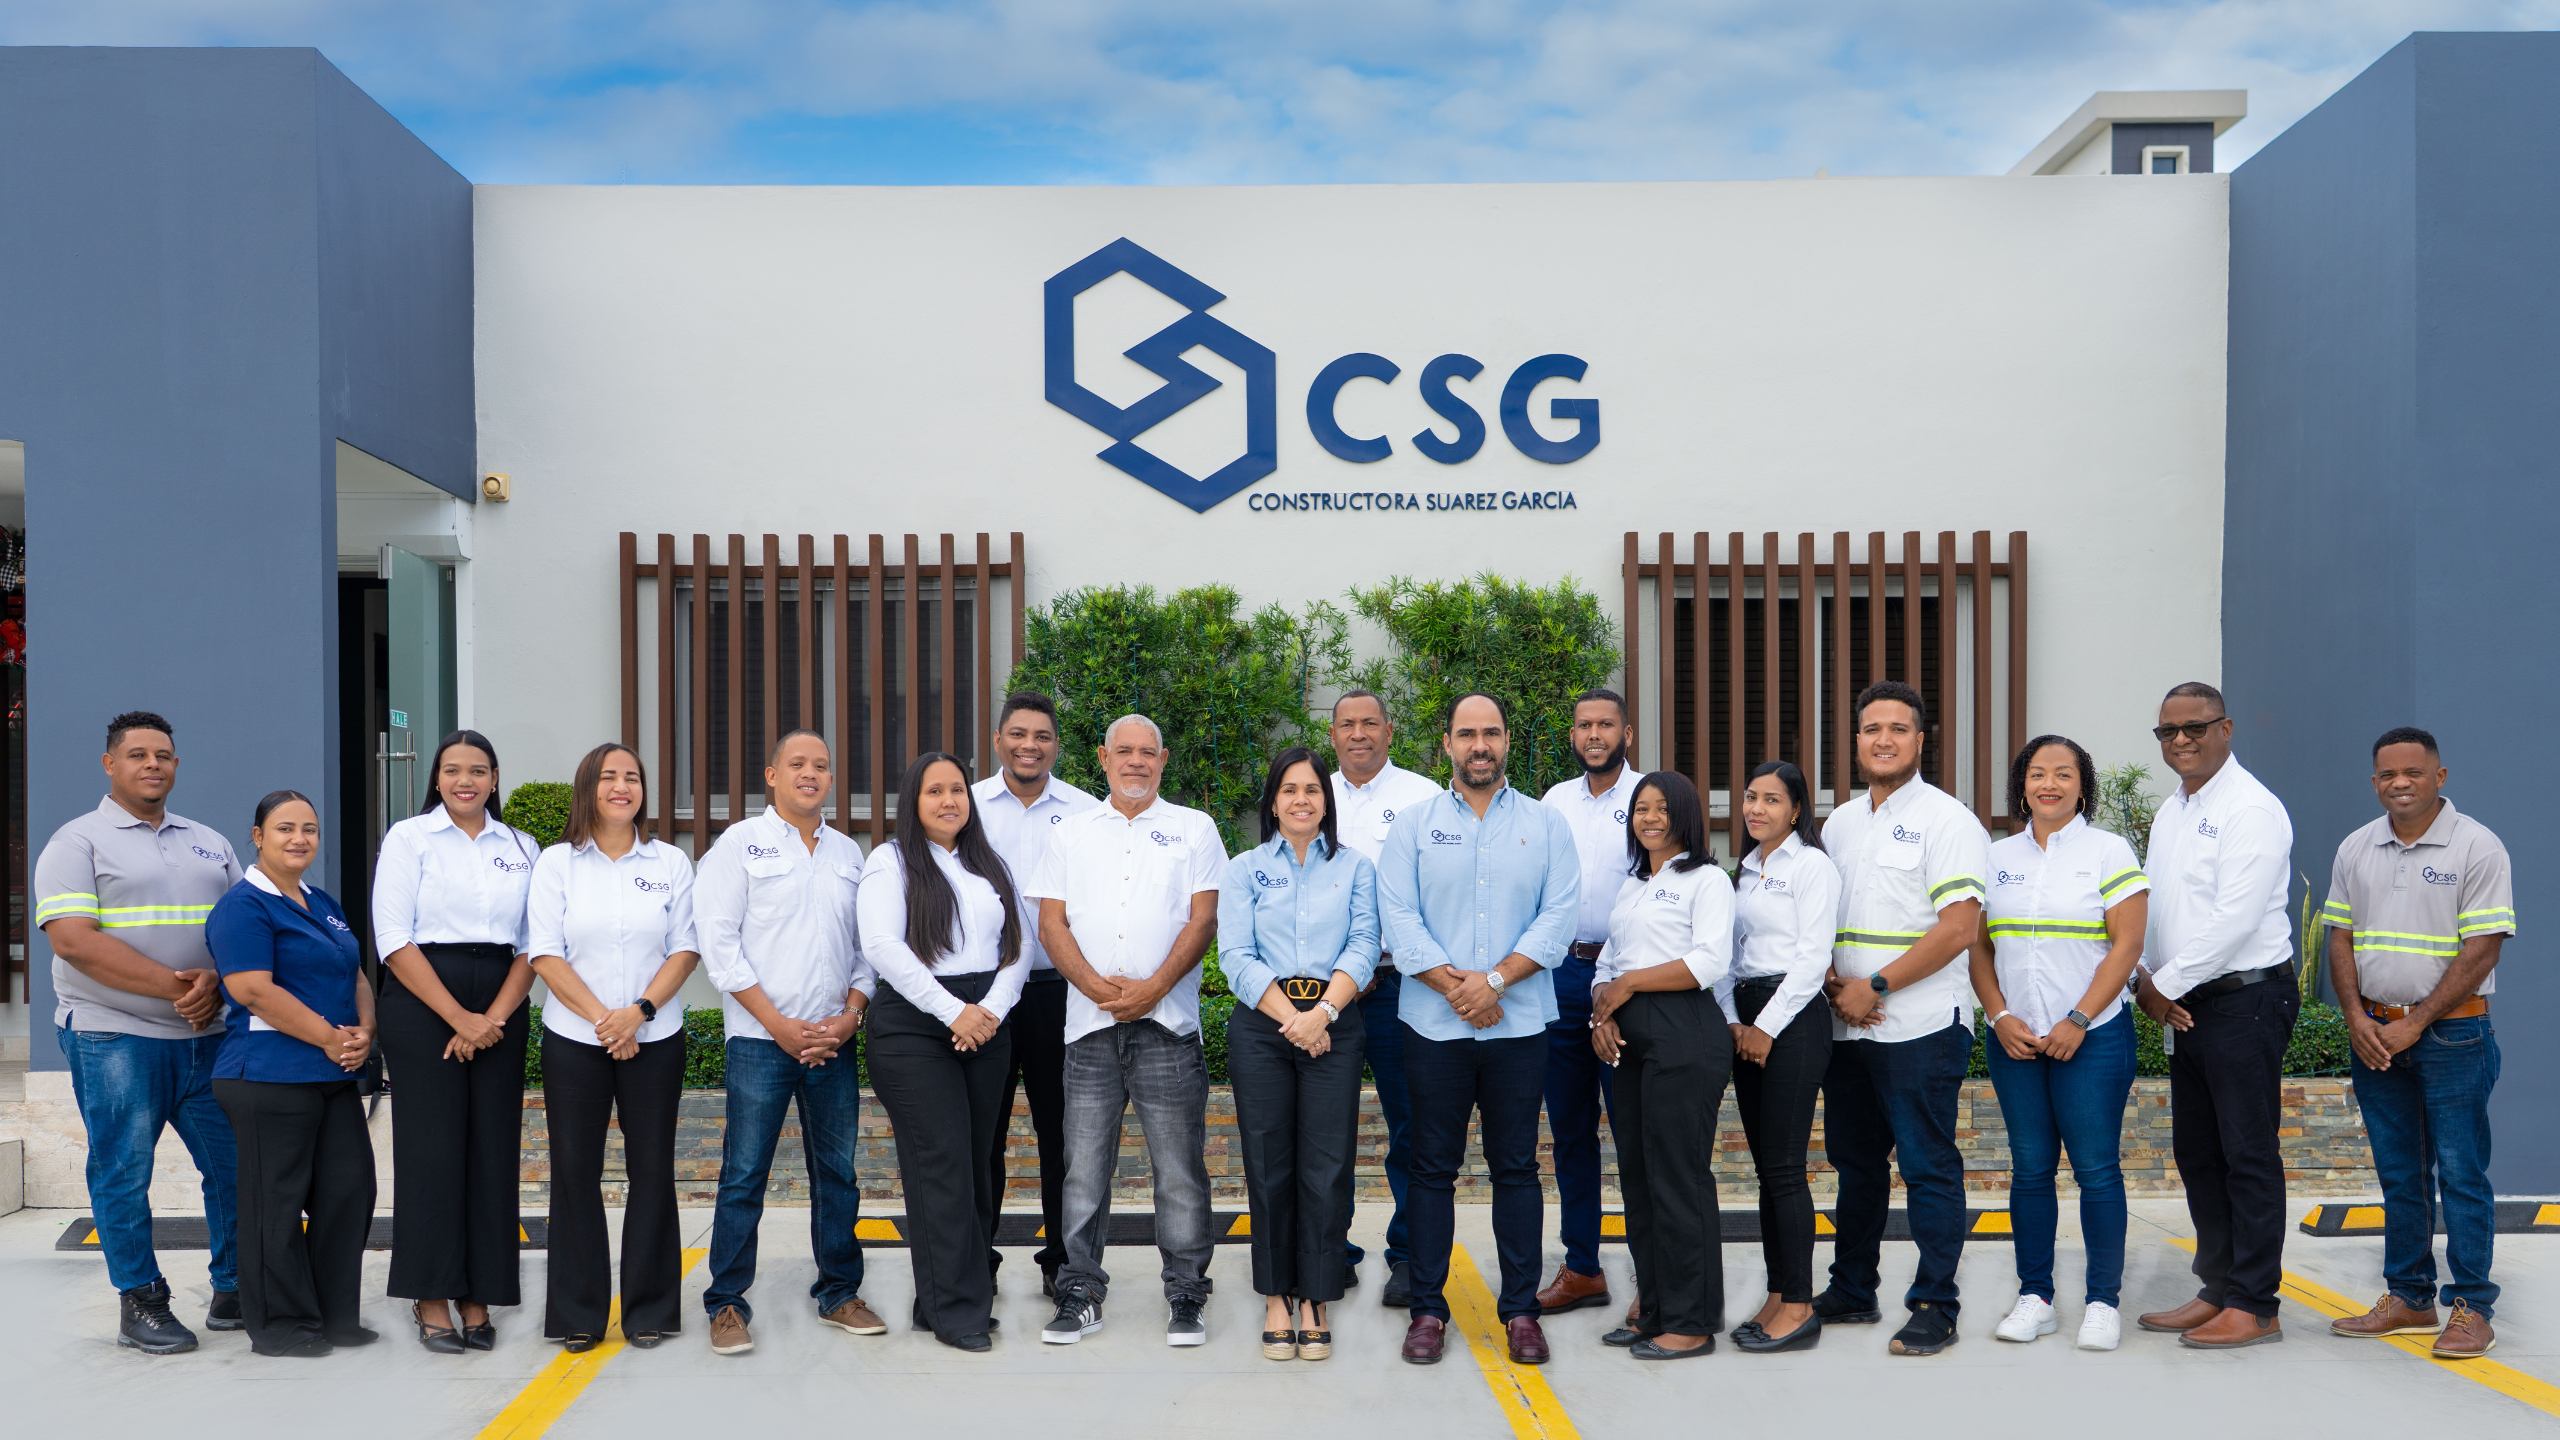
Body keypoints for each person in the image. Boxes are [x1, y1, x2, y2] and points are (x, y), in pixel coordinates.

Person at [1377, 692, 1580, 1367]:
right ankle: (1428, 1310)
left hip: (1517, 1027)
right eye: (1467, 734)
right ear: (1447, 745)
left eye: (1491, 732)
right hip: (1433, 1028)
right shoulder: (1413, 825)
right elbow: (1399, 918)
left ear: (1507, 741)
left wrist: (1492, 983)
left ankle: (1520, 1310)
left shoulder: (1546, 824)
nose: (1479, 745)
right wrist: (1461, 990)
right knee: (1431, 1168)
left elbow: (1558, 918)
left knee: (1516, 1167)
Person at [35, 710, 241, 1353]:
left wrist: (219, 983)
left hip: (206, 1037)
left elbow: (244, 926)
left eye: (163, 755)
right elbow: (74, 941)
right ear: (110, 764)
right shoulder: (77, 842)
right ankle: (141, 1301)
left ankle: (236, 1287)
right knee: (123, 1172)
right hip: (114, 1035)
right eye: (137, 754)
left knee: (236, 1167)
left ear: (176, 765)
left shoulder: (208, 841)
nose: (153, 764)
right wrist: (181, 988)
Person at [1031, 713, 1225, 1349]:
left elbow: (1203, 921)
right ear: (1103, 757)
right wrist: (1096, 988)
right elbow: (1051, 923)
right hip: (1089, 1029)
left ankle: (1187, 1292)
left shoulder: (1194, 828)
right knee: (1083, 1172)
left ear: (1163, 760)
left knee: (1180, 1171)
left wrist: (1153, 988)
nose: (1136, 761)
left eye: (1148, 752)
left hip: (1167, 1027)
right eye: (1125, 751)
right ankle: (1080, 1291)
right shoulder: (1070, 832)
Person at [2320, 726, 2510, 1360]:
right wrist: (2356, 1017)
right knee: (2400, 1175)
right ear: (2374, 780)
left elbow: (2483, 948)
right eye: (2387, 774)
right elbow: (2340, 936)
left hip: (2453, 1035)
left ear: (2440, 776)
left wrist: (2417, 1021)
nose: (2399, 783)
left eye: (2413, 772)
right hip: (2376, 1035)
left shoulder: (2477, 846)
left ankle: (2472, 1307)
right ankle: (2409, 1297)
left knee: (2461, 1173)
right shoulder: (2356, 847)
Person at [1814, 680, 1989, 1357]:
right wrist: (1834, 980)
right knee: (1855, 1165)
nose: (1882, 739)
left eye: (1897, 728)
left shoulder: (1949, 821)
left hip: (1919, 1025)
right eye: (1871, 729)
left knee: (1927, 1166)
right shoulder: (1840, 823)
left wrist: (1877, 984)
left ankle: (1935, 1304)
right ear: (1856, 740)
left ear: (1921, 740)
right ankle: (1853, 1288)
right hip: (1847, 1025)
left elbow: (1959, 928)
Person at [695, 729, 878, 1356]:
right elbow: (719, 944)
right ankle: (726, 1302)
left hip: (833, 1041)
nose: (810, 773)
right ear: (771, 775)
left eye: (821, 765)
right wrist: (777, 1023)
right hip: (760, 1041)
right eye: (797, 764)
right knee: (745, 1175)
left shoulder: (848, 854)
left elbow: (865, 949)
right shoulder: (738, 845)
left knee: (839, 1175)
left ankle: (839, 1292)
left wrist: (851, 1016)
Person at [2132, 681, 2299, 1350]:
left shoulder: (2250, 809)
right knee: (2199, 1153)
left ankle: (2255, 1304)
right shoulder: (2173, 810)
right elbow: (2160, 908)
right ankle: (2219, 1288)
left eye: (2195, 728)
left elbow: (2234, 919)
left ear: (2225, 729)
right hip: (2189, 1005)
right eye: (2168, 731)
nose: (2180, 740)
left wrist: (2160, 987)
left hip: (2243, 1000)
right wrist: (2145, 977)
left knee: (2247, 1153)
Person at [1970, 736, 2148, 1352]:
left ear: (2082, 786)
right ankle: (2036, 1298)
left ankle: (2102, 1302)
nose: (2050, 784)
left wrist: (2078, 1018)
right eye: (2038, 773)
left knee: (2096, 1171)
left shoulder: (2108, 851)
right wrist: (1998, 1016)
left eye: (2064, 774)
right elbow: (1979, 946)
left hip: (2092, 1039)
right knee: (2030, 1170)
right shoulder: (1995, 858)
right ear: (2021, 785)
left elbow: (2127, 944)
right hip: (2015, 1039)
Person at [525, 743, 699, 1351]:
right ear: (588, 788)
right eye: (609, 777)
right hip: (576, 1038)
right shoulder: (557, 864)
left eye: (632, 777)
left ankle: (649, 1310)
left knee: (652, 1170)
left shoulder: (670, 861)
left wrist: (638, 1014)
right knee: (575, 1171)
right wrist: (607, 1021)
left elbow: (685, 948)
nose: (622, 787)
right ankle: (578, 1313)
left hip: (657, 1036)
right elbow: (545, 953)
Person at [858, 752, 1031, 1352]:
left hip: (985, 1021)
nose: (949, 800)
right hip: (915, 1027)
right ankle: (957, 1312)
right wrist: (953, 1011)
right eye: (934, 791)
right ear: (914, 800)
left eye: (957, 789)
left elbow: (1019, 944)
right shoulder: (889, 862)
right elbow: (882, 946)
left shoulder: (988, 861)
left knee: (978, 1166)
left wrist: (991, 1011)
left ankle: (946, 1296)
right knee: (944, 1166)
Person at [372, 729, 537, 1353]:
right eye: (452, 770)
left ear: (494, 779)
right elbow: (393, 938)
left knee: (492, 1151)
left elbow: (535, 943)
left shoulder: (523, 846)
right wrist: (458, 1017)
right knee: (432, 1151)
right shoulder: (409, 838)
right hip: (423, 1001)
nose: (465, 780)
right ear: (436, 779)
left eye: (478, 770)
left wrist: (490, 1017)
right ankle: (431, 1293)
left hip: (502, 1002)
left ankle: (479, 1292)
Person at [204, 790, 378, 1358]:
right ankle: (282, 1326)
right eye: (285, 828)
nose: (299, 838)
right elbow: (252, 989)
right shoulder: (243, 906)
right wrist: (330, 1038)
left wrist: (364, 1032)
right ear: (258, 837)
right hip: (267, 1075)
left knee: (349, 1192)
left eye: (309, 829)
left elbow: (354, 972)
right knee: (274, 1208)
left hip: (331, 1074)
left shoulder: (319, 900)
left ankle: (333, 1317)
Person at [1220, 746, 1380, 1362]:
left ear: (1326, 801)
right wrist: (1295, 1019)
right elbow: (1235, 954)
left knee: (1327, 1164)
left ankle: (1315, 1295)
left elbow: (1365, 943)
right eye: (1289, 789)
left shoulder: (1356, 867)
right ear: (1272, 802)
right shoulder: (1245, 869)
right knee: (1268, 1163)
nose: (1301, 800)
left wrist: (1323, 1015)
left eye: (1312, 789)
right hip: (1265, 1025)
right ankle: (1275, 1296)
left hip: (1333, 1021)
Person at [1588, 771, 1733, 1360]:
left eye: (1661, 808)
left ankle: (1692, 1321)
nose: (1649, 818)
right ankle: (1654, 1308)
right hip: (1629, 1038)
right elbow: (1608, 959)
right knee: (1639, 1177)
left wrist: (1628, 985)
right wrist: (1601, 1014)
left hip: (1684, 1032)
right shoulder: (1633, 885)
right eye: (1640, 809)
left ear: (1685, 815)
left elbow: (1710, 960)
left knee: (1678, 1176)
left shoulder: (1707, 879)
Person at [971, 692, 1100, 1299]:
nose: (1030, 745)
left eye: (1042, 736)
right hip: (983, 996)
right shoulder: (966, 805)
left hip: (1057, 992)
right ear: (998, 740)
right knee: (982, 1134)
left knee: (1063, 1136)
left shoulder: (1085, 811)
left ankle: (1063, 1263)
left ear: (1056, 745)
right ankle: (976, 1261)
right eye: (1018, 734)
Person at [1714, 760, 1839, 1355]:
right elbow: (1727, 956)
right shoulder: (1744, 870)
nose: (1756, 809)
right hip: (1746, 1017)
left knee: (1786, 1169)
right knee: (1767, 1170)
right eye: (1750, 797)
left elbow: (1813, 959)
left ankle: (1799, 1306)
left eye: (1770, 799)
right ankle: (1777, 1293)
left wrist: (1763, 1027)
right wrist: (1734, 1022)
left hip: (1791, 1019)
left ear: (1795, 809)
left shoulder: (1811, 866)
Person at [1325, 688, 1441, 1308]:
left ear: (1389, 732)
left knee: (1412, 1128)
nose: (1359, 733)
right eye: (1347, 724)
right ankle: (1330, 1252)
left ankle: (1408, 1255)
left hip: (1403, 986)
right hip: (1327, 993)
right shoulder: (1312, 795)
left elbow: (1435, 893)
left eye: (1370, 723)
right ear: (1333, 734)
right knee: (1327, 1131)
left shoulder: (1423, 797)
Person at [1536, 689, 1641, 1319]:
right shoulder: (1554, 802)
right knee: (1571, 1131)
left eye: (1606, 724)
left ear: (1627, 733)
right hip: (1559, 976)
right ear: (1573, 735)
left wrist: (1624, 986)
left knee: (1635, 1131)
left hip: (1628, 981)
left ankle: (1652, 1274)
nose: (1594, 734)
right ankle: (1582, 1268)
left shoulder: (1649, 797)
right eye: (1584, 725)